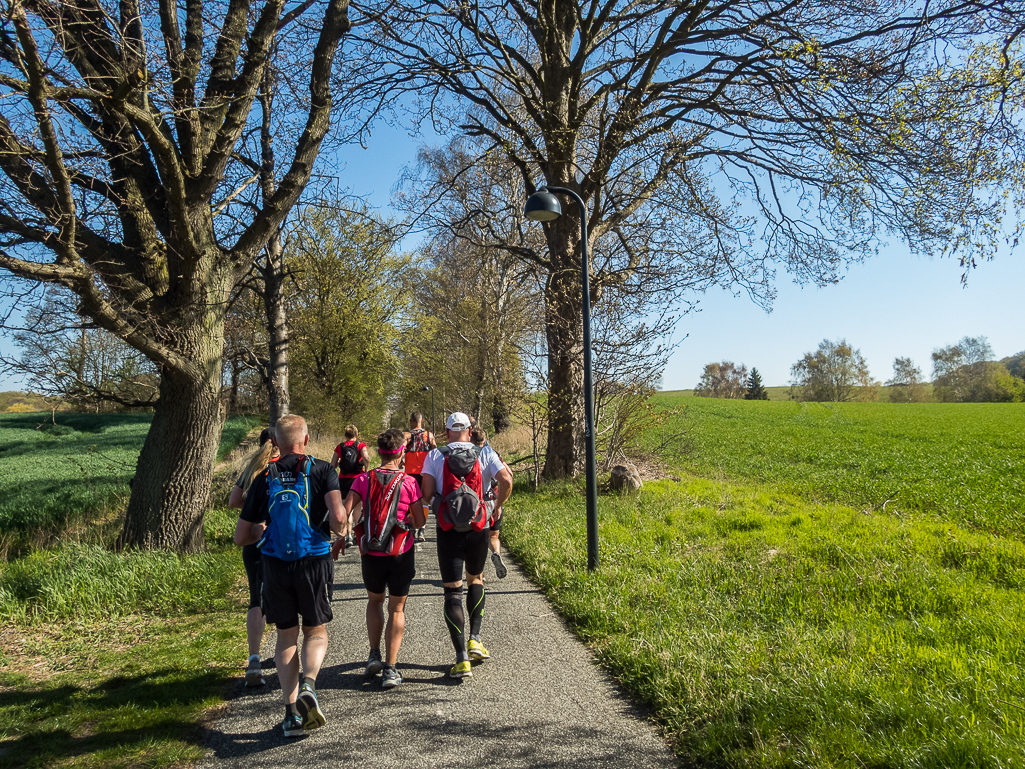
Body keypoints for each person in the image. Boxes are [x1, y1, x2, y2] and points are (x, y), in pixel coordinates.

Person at [234, 414, 347, 737]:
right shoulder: (323, 470)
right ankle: (309, 684)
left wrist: (262, 529)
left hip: (274, 564)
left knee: (286, 636)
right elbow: (338, 519)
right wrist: (341, 527)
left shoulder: (264, 476)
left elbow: (241, 537)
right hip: (313, 560)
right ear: (306, 440)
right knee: (315, 631)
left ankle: (290, 713)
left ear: (277, 444)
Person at [421, 412, 512, 679]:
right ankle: (475, 638)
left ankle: (461, 659)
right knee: (476, 579)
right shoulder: (485, 453)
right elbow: (506, 480)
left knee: (452, 591)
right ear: (470, 431)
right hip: (478, 528)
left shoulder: (435, 456)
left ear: (447, 432)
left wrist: (437, 503)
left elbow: (426, 494)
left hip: (448, 530)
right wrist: (495, 507)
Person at [334, 428, 426, 689]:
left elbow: (344, 512)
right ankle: (391, 668)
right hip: (400, 552)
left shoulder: (363, 479)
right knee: (396, 608)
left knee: (374, 601)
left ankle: (373, 654)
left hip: (371, 552)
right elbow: (419, 521)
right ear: (401, 453)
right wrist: (407, 518)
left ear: (378, 452)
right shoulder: (409, 482)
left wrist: (342, 536)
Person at [228, 427, 279, 687]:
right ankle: (285, 656)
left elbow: (233, 500)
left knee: (255, 597)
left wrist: (252, 507)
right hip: (280, 538)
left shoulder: (251, 468)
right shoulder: (283, 467)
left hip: (253, 538)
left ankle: (254, 659)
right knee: (284, 596)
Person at [470, 425, 509, 579]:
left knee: (476, 540)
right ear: (485, 440)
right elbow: (508, 475)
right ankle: (497, 553)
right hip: (494, 500)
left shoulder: (468, 455)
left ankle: (479, 572)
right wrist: (499, 503)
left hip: (477, 504)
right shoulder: (493, 454)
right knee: (493, 536)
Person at [331, 425, 371, 547]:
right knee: (357, 507)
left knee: (346, 507)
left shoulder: (340, 447)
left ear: (345, 435)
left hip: (343, 480)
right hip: (358, 479)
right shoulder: (360, 445)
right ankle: (357, 535)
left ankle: (347, 535)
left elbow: (332, 464)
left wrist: (340, 465)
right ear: (356, 434)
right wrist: (366, 468)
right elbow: (366, 458)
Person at [404, 411, 436, 542]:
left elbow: (400, 450)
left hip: (409, 473)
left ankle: (412, 525)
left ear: (411, 422)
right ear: (421, 421)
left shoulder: (406, 435)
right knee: (424, 500)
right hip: (425, 472)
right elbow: (435, 451)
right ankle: (422, 528)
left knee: (410, 500)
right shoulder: (429, 435)